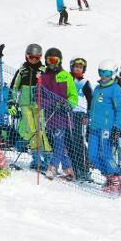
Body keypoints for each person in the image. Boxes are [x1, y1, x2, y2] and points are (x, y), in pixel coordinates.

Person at [8, 44, 51, 170]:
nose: (33, 60)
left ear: (40, 57)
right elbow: (14, 87)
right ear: (26, 56)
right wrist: (12, 102)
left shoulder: (44, 70)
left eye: (36, 58)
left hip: (39, 105)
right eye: (30, 57)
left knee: (40, 129)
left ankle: (47, 158)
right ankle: (36, 158)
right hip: (25, 104)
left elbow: (50, 87)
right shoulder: (22, 70)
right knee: (31, 130)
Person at [88, 59, 121, 194]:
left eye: (106, 72)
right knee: (92, 154)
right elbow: (93, 107)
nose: (103, 75)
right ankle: (109, 177)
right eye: (101, 72)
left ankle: (116, 180)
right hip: (94, 127)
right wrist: (88, 117)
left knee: (106, 153)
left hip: (107, 128)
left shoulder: (116, 89)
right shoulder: (98, 88)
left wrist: (117, 126)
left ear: (113, 73)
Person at [39, 48, 78, 180]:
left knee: (59, 142)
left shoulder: (66, 76)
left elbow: (73, 96)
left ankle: (52, 167)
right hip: (50, 116)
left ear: (60, 60)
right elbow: (40, 98)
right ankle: (69, 171)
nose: (52, 63)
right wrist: (50, 104)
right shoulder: (44, 77)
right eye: (50, 60)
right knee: (59, 143)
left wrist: (69, 104)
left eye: (55, 60)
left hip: (63, 116)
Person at [67, 57, 92, 181]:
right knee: (69, 141)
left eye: (80, 67)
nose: (78, 69)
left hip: (79, 114)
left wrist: (88, 115)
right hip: (67, 113)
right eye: (76, 66)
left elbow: (91, 100)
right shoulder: (67, 78)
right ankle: (74, 168)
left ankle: (84, 169)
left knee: (78, 141)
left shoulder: (85, 82)